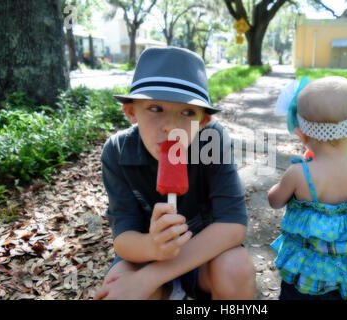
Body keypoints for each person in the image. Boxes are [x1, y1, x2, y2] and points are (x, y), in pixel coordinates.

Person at [94, 47, 255, 300]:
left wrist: (149, 278)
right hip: (145, 254)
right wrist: (152, 247)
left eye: (187, 112)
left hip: (203, 257)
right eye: (155, 108)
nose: (170, 127)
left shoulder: (212, 140)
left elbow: (233, 226)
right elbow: (123, 238)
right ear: (131, 112)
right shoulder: (116, 151)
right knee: (118, 283)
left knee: (236, 268)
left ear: (203, 121)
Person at [268, 76, 347, 300]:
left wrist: (278, 187)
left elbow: (275, 201)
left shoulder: (299, 174)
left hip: (307, 277)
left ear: (301, 134)